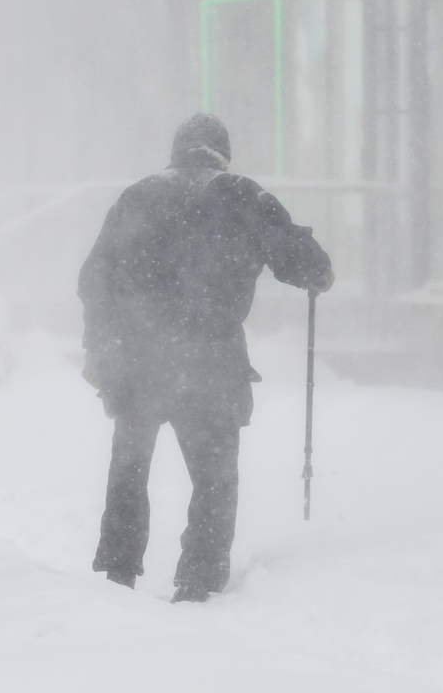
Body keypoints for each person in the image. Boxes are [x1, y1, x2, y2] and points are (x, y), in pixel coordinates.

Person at [78, 113, 333, 602]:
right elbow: (307, 264)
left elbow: (95, 281)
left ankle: (118, 574)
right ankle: (198, 578)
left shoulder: (137, 196)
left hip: (139, 358)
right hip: (210, 359)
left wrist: (100, 347)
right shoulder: (242, 195)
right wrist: (317, 274)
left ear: (176, 152)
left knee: (130, 466)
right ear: (223, 153)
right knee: (214, 475)